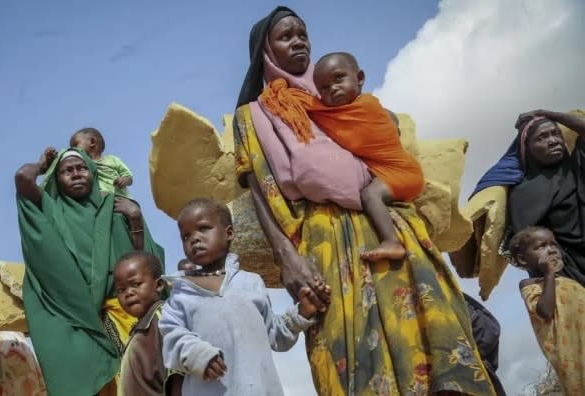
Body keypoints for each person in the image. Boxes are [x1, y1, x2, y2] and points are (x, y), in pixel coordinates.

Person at [234, 6, 496, 395]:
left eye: (302, 33)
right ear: (266, 52)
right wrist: (287, 258)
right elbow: (259, 187)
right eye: (286, 36)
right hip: (325, 236)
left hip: (389, 224)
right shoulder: (254, 115)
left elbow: (379, 143)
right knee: (349, 345)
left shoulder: (332, 94)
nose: (298, 41)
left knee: (433, 331)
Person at [15, 147, 164, 396]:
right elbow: (22, 178)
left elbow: (147, 263)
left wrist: (136, 219)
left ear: (93, 173)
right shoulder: (50, 210)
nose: (76, 174)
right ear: (57, 177)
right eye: (67, 171)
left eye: (82, 168)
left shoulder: (117, 207)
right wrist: (42, 166)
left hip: (130, 314)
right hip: (79, 320)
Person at [259, 51, 424, 261]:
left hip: (403, 173)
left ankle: (391, 242)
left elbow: (316, 109)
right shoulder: (356, 110)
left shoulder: (366, 106)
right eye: (324, 88)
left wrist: (287, 96)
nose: (333, 88)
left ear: (360, 78)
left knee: (369, 195)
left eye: (339, 79)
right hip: (392, 171)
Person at [159, 198, 323, 395]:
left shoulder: (251, 283)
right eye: (186, 236)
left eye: (203, 228)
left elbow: (275, 336)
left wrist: (301, 313)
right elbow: (172, 337)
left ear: (229, 233)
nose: (194, 239)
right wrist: (197, 355)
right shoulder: (180, 294)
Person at [506, 110, 585, 286]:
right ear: (527, 148)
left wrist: (545, 113)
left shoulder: (577, 164)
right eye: (541, 137)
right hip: (572, 276)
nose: (553, 141)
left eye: (556, 134)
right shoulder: (524, 193)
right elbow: (528, 248)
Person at [509, 226, 585, 395]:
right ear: (522, 259)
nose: (551, 250)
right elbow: (545, 311)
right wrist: (549, 275)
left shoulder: (571, 283)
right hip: (571, 354)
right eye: (541, 246)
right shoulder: (531, 284)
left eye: (553, 245)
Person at [113, 251, 182, 396]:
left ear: (158, 285)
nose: (128, 293)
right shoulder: (140, 328)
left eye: (136, 284)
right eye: (121, 289)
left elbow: (179, 377)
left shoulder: (164, 322)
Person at [70, 127, 134, 198]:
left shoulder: (112, 159)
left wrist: (124, 180)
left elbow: (128, 175)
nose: (72, 149)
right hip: (101, 199)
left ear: (92, 142)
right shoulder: (83, 164)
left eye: (75, 145)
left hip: (121, 198)